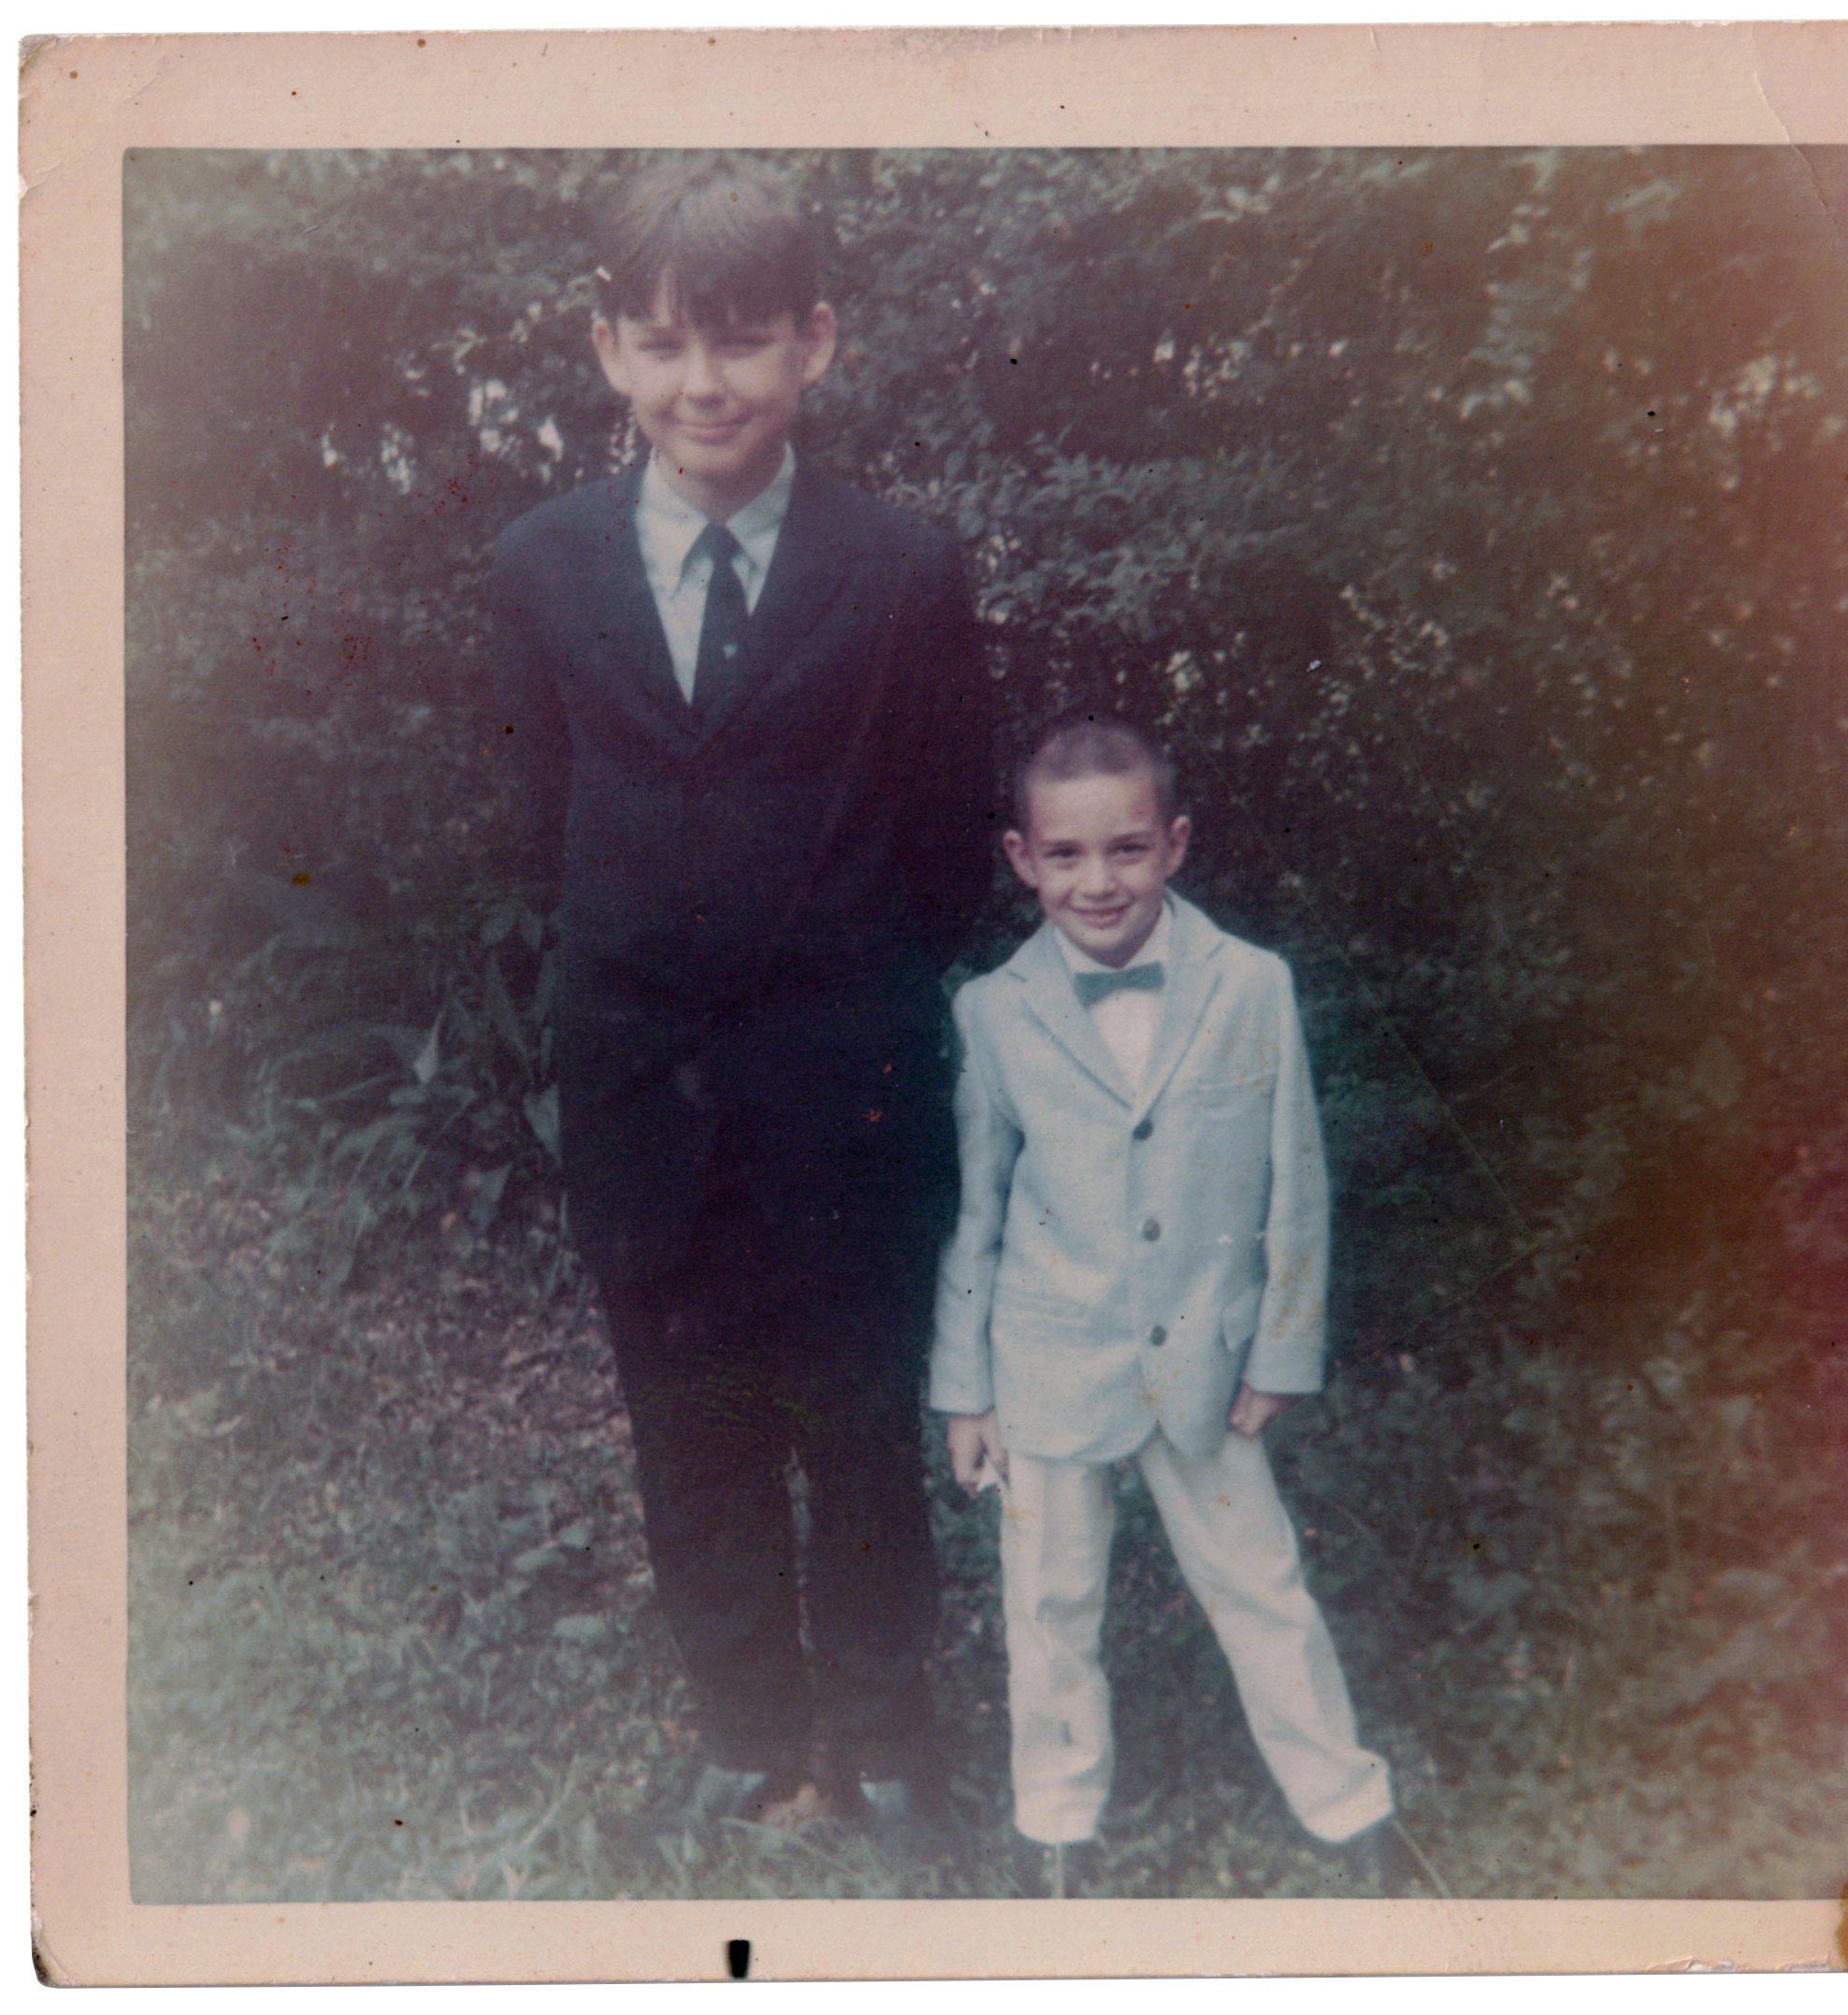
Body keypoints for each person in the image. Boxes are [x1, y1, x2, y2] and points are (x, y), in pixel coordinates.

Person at [488, 155, 992, 1836]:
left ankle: (886, 1731)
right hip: (640, 1084)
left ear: (813, 343)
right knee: (686, 1420)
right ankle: (744, 1725)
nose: (701, 381)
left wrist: (839, 991)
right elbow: (533, 815)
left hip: (844, 1087)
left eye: (741, 339)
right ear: (607, 350)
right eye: (660, 341)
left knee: (856, 1416)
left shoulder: (902, 568)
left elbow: (944, 839)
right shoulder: (540, 563)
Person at [931, 714, 1402, 1896]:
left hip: (1205, 1359)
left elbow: (1294, 1181)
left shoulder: (1250, 986)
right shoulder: (992, 1011)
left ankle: (1346, 1807)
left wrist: (1279, 1349)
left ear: (1175, 844)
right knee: (1049, 1604)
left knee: (1261, 1586)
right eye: (1066, 855)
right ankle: (1055, 1820)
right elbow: (974, 1213)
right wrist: (965, 1389)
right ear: (1021, 858)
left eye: (1127, 849)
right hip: (1048, 1363)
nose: (1098, 882)